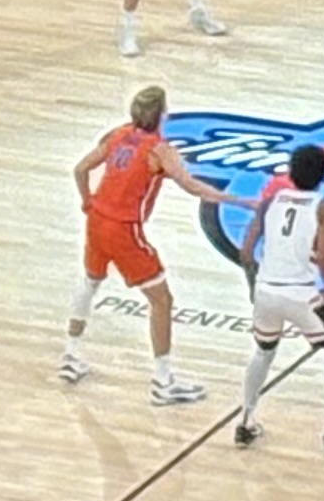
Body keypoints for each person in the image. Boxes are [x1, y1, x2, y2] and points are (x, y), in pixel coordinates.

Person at [65, 87, 233, 405]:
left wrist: (87, 200)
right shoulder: (159, 150)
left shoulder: (117, 134)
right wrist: (226, 197)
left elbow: (80, 169)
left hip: (96, 220)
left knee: (89, 282)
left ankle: (70, 354)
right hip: (124, 229)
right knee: (161, 301)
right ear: (162, 115)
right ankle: (162, 381)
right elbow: (191, 185)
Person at [232, 142, 324, 453]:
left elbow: (246, 252)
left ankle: (245, 422)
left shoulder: (270, 202)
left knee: (263, 351)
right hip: (302, 294)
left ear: (290, 172)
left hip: (266, 290)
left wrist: (252, 286)